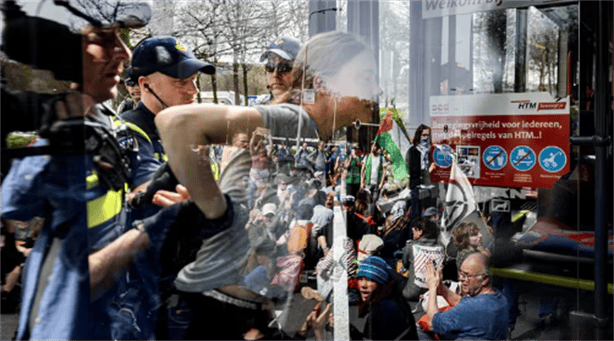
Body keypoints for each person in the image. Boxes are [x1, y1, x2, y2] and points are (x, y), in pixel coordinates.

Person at [153, 31, 380, 339]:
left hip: (239, 306)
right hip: (215, 308)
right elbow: (177, 124)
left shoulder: (308, 131)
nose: (375, 89)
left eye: (282, 67)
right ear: (322, 84)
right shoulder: (294, 120)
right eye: (364, 78)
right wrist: (216, 212)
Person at [0, 2, 153, 339]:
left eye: (121, 38)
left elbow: (148, 191)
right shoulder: (52, 122)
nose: (124, 52)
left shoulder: (123, 132)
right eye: (103, 38)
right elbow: (13, 201)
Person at [120, 36, 215, 198]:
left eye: (194, 80)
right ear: (145, 84)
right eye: (182, 81)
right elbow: (156, 195)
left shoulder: (193, 127)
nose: (194, 90)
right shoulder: (126, 131)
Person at [425, 252, 509, 340]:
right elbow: (460, 302)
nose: (461, 279)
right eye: (460, 273)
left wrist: (432, 287)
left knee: (419, 331)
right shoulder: (499, 298)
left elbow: (432, 323)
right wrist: (440, 286)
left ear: (485, 279)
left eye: (466, 275)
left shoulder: (472, 307)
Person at [401, 218, 444, 301]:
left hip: (413, 293)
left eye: (415, 228)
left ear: (420, 231)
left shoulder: (411, 246)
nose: (412, 230)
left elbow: (404, 264)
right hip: (435, 292)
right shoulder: (441, 247)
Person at [254, 36, 302, 105]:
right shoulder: (260, 105)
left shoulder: (309, 110)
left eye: (284, 67)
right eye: (270, 67)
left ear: (300, 73)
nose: (275, 74)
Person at [406, 124, 435, 221]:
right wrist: (428, 171)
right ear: (418, 135)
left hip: (429, 187)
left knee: (429, 214)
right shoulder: (413, 151)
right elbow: (412, 170)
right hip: (417, 187)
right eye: (423, 135)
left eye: (428, 135)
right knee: (416, 214)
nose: (425, 138)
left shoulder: (432, 151)